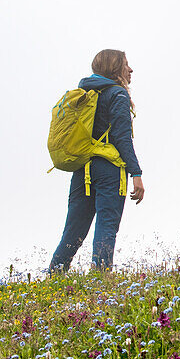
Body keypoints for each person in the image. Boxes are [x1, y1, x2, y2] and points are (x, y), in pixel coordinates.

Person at [49, 49, 144, 272]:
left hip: (83, 168)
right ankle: (100, 278)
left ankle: (55, 275)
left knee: (73, 231)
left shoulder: (85, 93)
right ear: (115, 68)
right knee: (107, 225)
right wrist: (136, 174)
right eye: (126, 64)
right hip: (109, 170)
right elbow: (122, 138)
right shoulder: (117, 95)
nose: (130, 69)